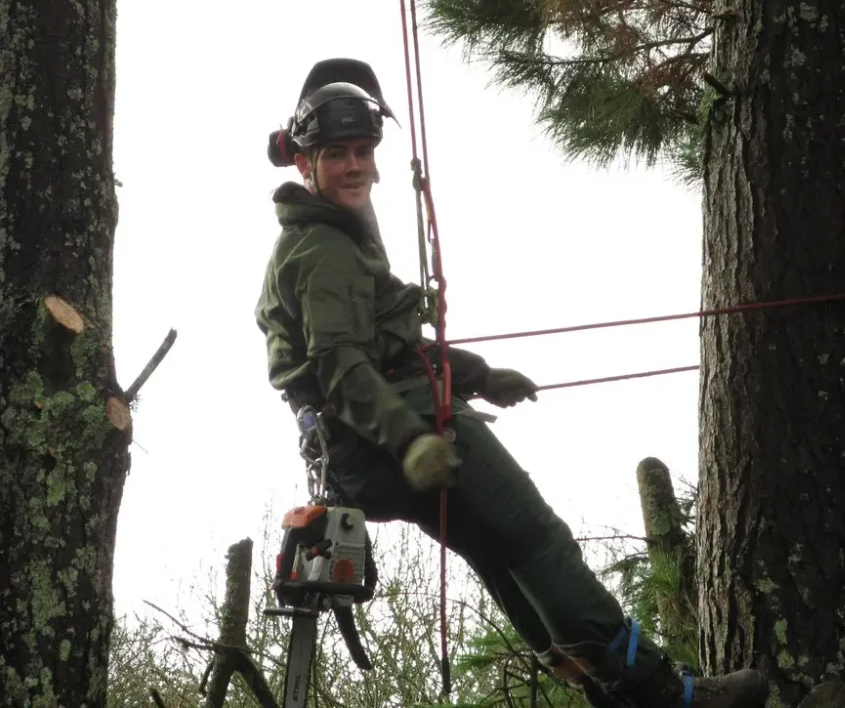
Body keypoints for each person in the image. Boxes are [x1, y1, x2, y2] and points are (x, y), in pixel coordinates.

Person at [254, 58, 769, 708]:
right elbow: (342, 368)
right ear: (306, 163)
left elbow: (388, 344)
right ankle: (661, 692)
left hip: (363, 449)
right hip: (387, 434)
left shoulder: (331, 237)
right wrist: (414, 440)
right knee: (534, 537)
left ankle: (607, 687)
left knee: (501, 552)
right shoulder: (323, 251)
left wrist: (478, 376)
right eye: (337, 155)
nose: (356, 165)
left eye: (363, 151)